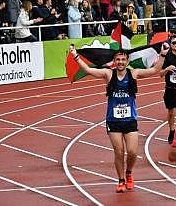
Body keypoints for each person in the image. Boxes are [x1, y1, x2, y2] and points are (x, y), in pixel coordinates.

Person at [70, 43, 168, 193]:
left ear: (127, 61)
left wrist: (162, 55)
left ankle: (129, 172)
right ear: (114, 61)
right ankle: (121, 180)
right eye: (118, 59)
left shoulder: (133, 74)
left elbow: (155, 70)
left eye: (123, 59)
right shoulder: (108, 74)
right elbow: (88, 70)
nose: (121, 62)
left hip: (130, 119)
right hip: (113, 120)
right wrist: (75, 56)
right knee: (119, 151)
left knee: (133, 151)